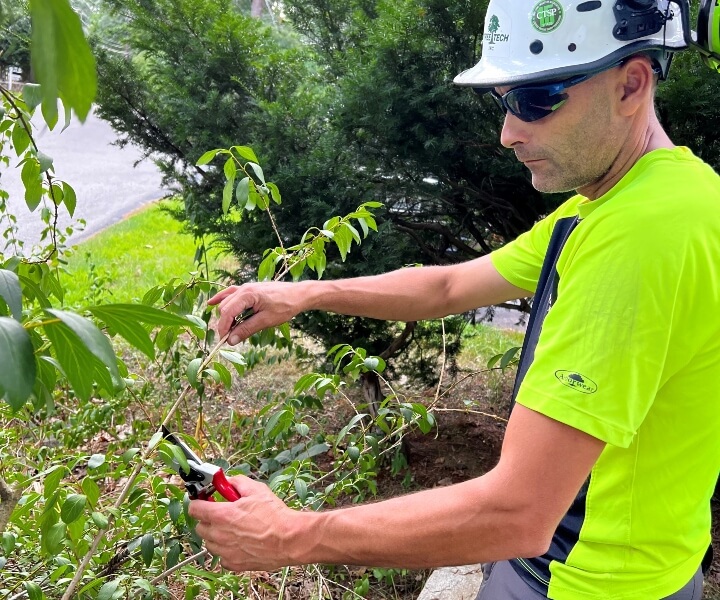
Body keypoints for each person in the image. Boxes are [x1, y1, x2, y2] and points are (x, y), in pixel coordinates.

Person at [188, 1, 720, 597]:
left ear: (631, 84)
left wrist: (290, 535)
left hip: (591, 583)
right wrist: (304, 294)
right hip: (610, 563)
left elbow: (518, 512)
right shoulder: (641, 197)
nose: (508, 133)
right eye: (503, 101)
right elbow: (450, 285)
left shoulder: (642, 234)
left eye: (536, 100)